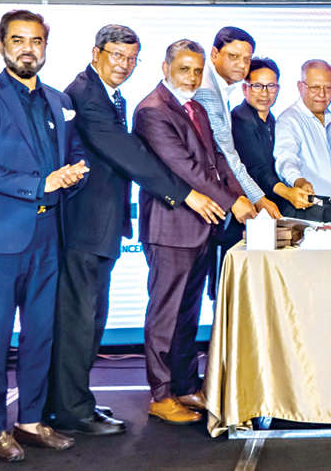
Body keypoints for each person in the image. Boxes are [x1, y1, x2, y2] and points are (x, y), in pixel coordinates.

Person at [47, 25, 222, 436]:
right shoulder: (87, 94)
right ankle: (71, 410)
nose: (124, 65)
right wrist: (186, 195)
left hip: (103, 225)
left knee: (92, 319)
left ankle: (78, 403)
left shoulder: (112, 95)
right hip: (86, 225)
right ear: (96, 53)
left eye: (130, 58)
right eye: (116, 55)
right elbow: (128, 154)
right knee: (79, 322)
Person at [0, 9, 87, 462]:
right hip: (0, 236)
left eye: (36, 41)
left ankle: (30, 420)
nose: (27, 49)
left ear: (45, 47)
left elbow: (73, 154)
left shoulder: (58, 99)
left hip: (50, 232)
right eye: (18, 40)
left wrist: (76, 174)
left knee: (40, 333)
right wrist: (39, 184)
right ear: (2, 45)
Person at [133, 39, 256, 425]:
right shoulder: (152, 110)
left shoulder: (197, 108)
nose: (191, 77)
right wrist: (232, 202)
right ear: (165, 68)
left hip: (202, 226)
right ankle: (161, 394)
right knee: (165, 314)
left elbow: (217, 159)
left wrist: (240, 195)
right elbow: (185, 168)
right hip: (170, 226)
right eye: (183, 69)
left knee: (187, 314)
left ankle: (185, 386)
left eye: (197, 71)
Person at [191, 27, 279, 296]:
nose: (241, 64)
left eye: (246, 58)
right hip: (209, 207)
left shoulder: (221, 91)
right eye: (233, 56)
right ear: (214, 54)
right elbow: (227, 155)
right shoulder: (207, 91)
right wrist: (258, 198)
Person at [231, 57, 312, 214]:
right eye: (257, 86)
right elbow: (256, 169)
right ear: (245, 88)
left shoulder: (272, 120)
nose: (265, 93)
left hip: (274, 205)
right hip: (250, 208)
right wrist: (287, 192)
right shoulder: (239, 119)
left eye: (271, 86)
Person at [273, 59, 331, 222]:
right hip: (310, 207)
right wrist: (298, 181)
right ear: (300, 86)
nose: (322, 94)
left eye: (328, 88)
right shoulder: (289, 120)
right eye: (315, 87)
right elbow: (286, 158)